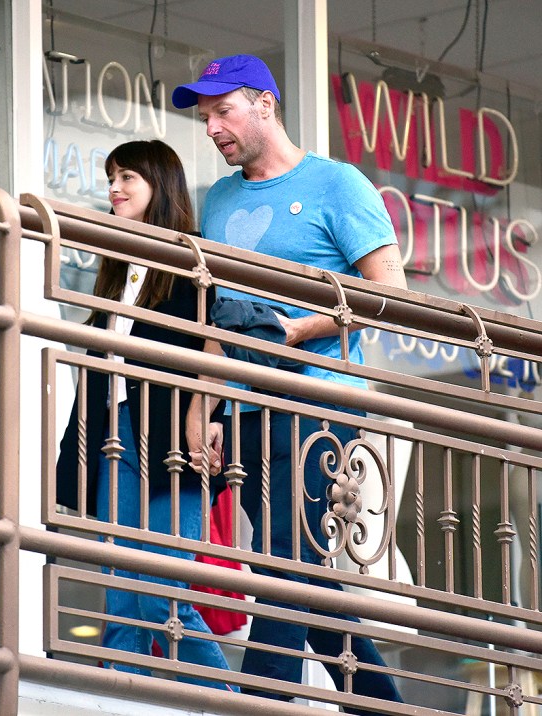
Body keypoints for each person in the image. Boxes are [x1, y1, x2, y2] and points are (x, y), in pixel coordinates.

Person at [173, 55, 408, 710]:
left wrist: (302, 329)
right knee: (296, 568)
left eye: (223, 111)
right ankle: (386, 704)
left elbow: (393, 291)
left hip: (317, 394)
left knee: (282, 553)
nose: (212, 127)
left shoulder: (338, 185)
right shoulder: (217, 199)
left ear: (265, 105)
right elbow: (214, 313)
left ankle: (261, 702)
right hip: (243, 403)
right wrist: (203, 405)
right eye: (205, 117)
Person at [55, 139, 236, 690]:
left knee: (162, 592)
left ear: (161, 186)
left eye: (128, 176)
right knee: (120, 594)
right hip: (117, 432)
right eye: (112, 176)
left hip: (170, 434)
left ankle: (229, 699)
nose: (114, 187)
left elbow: (219, 341)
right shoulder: (120, 266)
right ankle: (122, 700)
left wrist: (209, 412)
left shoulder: (193, 255)